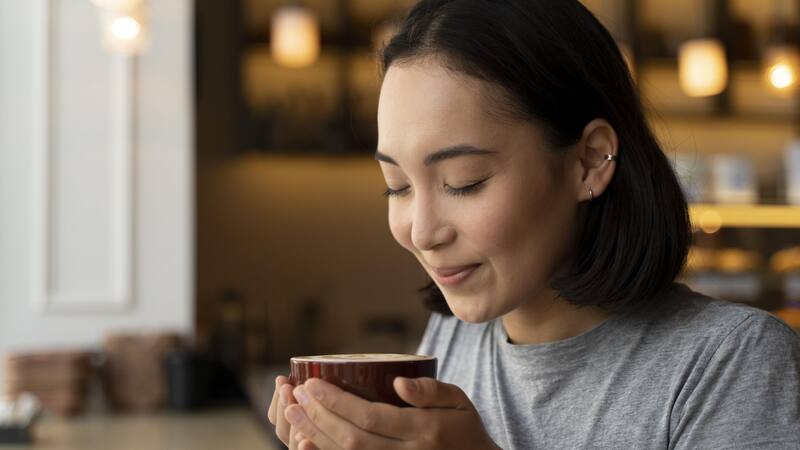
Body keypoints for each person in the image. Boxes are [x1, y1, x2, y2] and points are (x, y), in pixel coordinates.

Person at [267, 0, 800, 448]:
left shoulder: (732, 363)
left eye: (464, 180)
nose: (422, 231)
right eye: (397, 186)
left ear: (589, 160)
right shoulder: (453, 339)